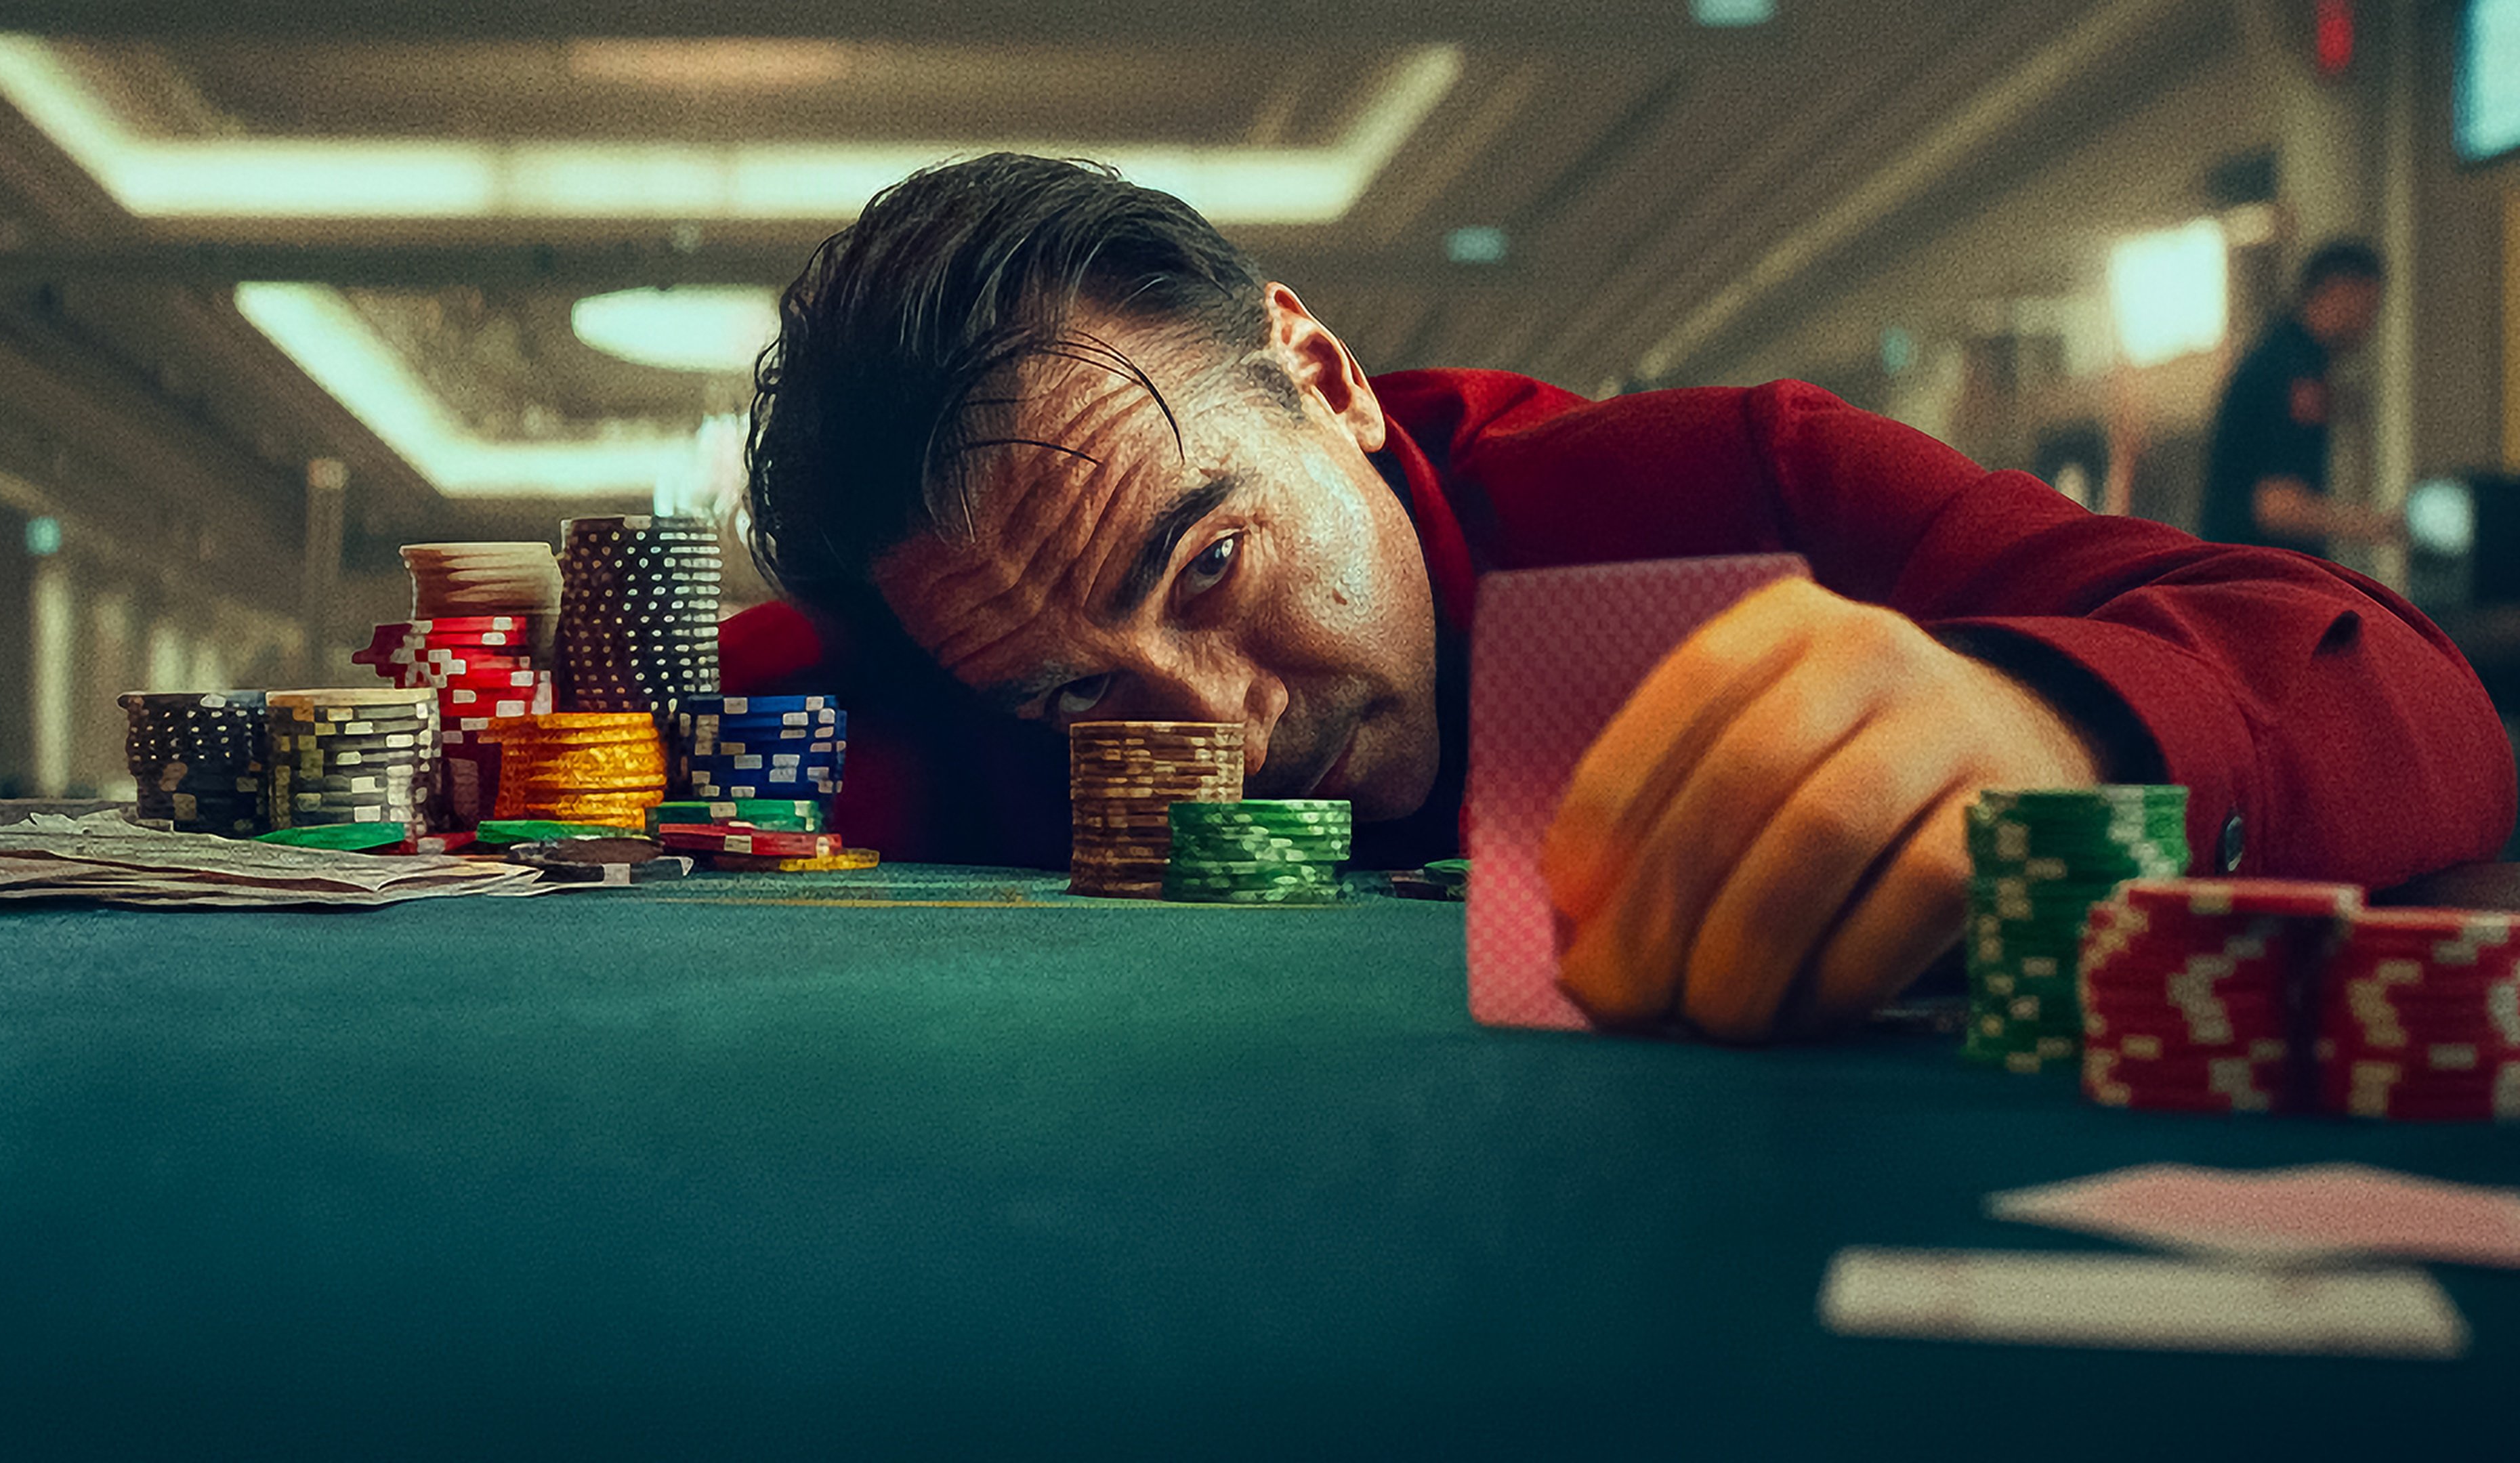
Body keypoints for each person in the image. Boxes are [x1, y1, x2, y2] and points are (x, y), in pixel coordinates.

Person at [721, 155, 2513, 1042]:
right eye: (1071, 702)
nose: (1219, 736)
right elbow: (663, 703)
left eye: (1208, 564)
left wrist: (2050, 718)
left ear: (1325, 377)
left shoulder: (1744, 487)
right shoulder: (945, 664)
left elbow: (2411, 694)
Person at [2200, 240, 2401, 557]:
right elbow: (2276, 506)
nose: (2370, 324)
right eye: (2369, 305)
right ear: (2340, 291)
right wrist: (2373, 524)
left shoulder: (2280, 356)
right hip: (2257, 579)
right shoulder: (2296, 375)